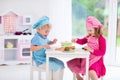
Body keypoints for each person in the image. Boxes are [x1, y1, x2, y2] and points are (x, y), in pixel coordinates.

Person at [30, 16, 64, 80]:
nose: (47, 33)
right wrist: (42, 46)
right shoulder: (36, 38)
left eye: (48, 31)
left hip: (46, 57)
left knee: (61, 64)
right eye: (46, 31)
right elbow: (32, 48)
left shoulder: (43, 36)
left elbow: (47, 43)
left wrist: (52, 42)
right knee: (54, 66)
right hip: (39, 60)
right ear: (39, 29)